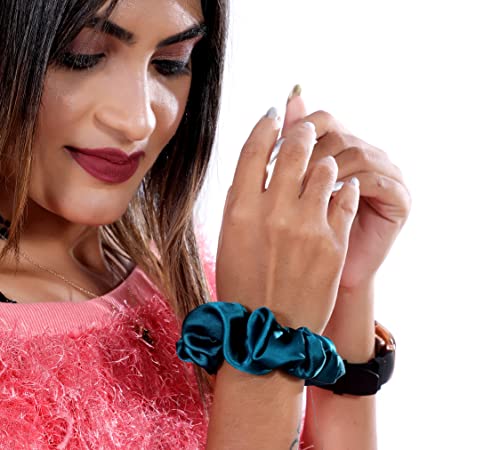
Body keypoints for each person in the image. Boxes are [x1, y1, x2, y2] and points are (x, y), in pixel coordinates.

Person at [0, 0, 411, 449]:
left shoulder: (181, 273)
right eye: (82, 56)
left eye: (170, 63)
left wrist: (344, 292)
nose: (137, 121)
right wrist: (265, 351)